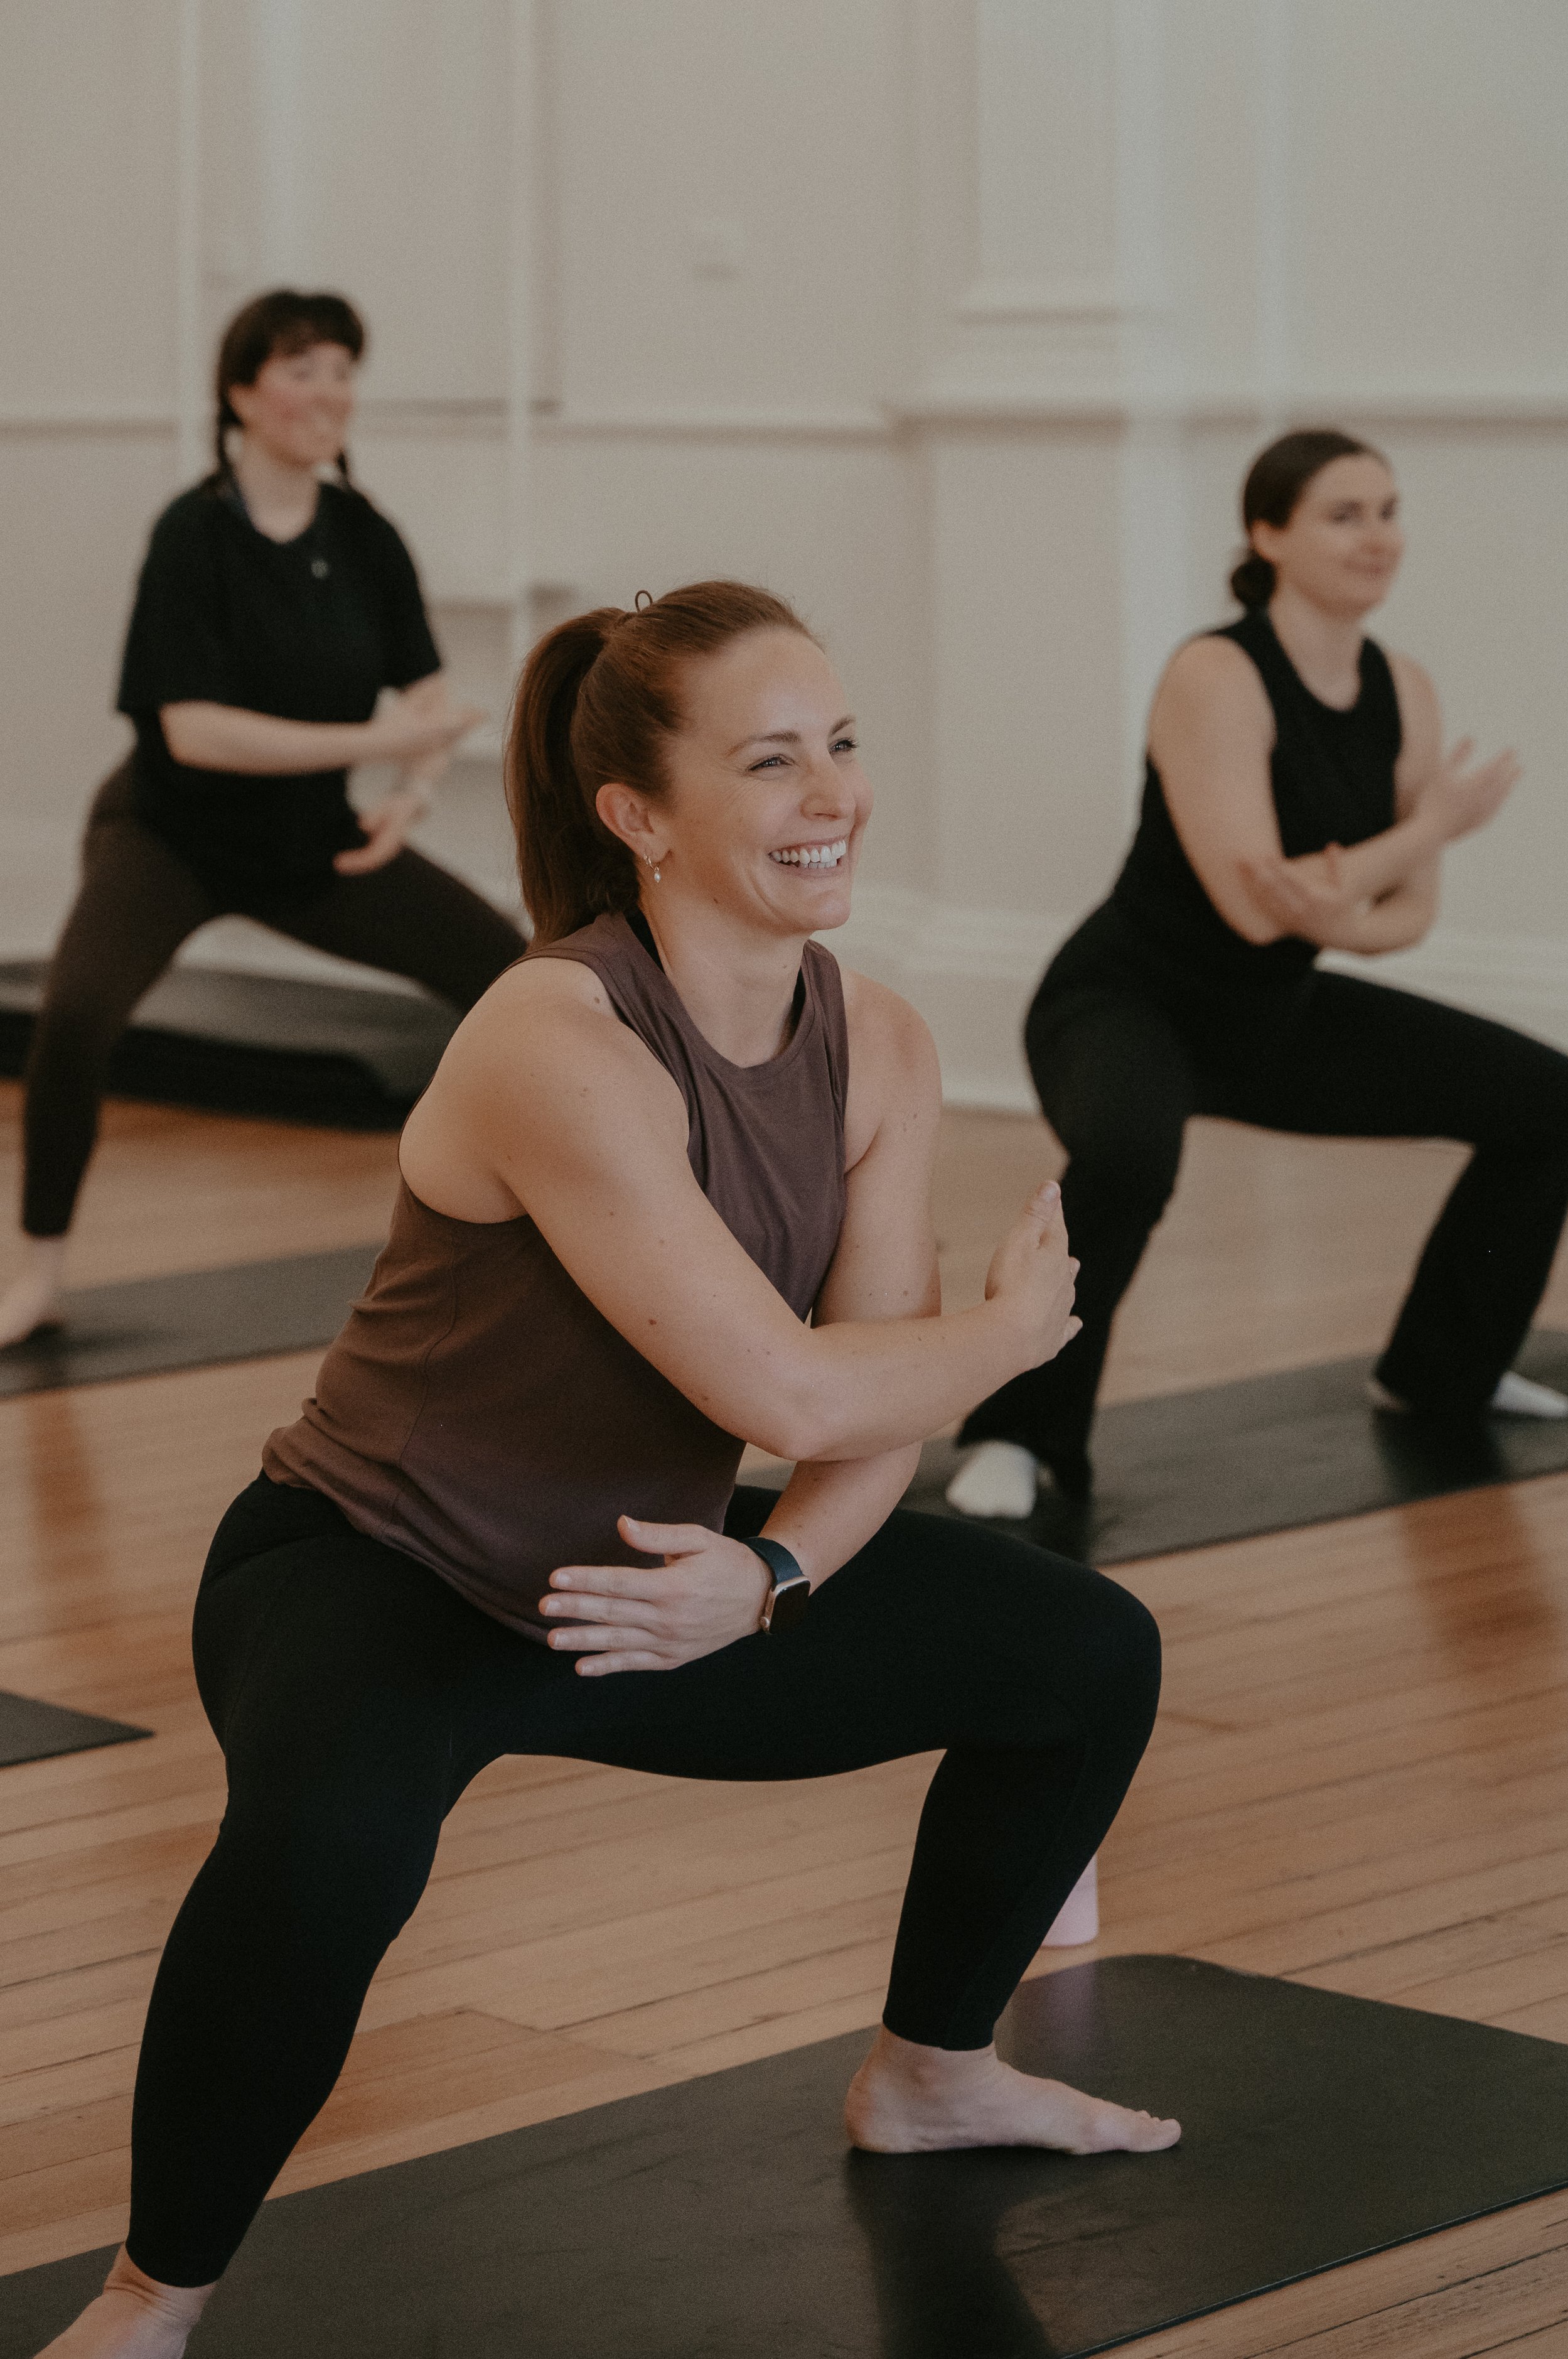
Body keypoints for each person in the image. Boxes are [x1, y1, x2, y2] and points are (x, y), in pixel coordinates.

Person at [37, 581, 1178, 2358]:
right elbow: (791, 1379)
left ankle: (934, 2071)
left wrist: (773, 1574)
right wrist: (1012, 1336)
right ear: (637, 815)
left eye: (845, 743)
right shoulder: (550, 1037)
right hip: (372, 1566)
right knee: (325, 1848)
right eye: (771, 758)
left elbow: (856, 1414)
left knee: (1086, 1655)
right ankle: (149, 2295)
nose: (833, 791)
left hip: (641, 1577)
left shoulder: (871, 1040)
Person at [948, 427, 1568, 1523]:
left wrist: (1345, 901)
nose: (1378, 535)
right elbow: (1250, 902)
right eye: (1345, 513)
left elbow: (1408, 914)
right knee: (1131, 1156)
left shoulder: (1403, 689)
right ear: (1268, 532)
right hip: (1124, 998)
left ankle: (1439, 1372)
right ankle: (1016, 1430)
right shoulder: (1215, 673)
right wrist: (1422, 831)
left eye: (1389, 509)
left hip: (1272, 1014)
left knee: (1549, 1099)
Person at [0, 288, 525, 1348]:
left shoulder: (364, 534)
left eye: (342, 369)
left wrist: (412, 789)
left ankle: (534, 1236)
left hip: (307, 844)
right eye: (302, 368)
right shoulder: (194, 534)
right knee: (78, 1020)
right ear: (241, 392)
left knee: (518, 978)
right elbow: (192, 731)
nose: (329, 392)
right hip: (168, 834)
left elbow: (425, 696)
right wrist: (378, 749)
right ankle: (36, 1276)